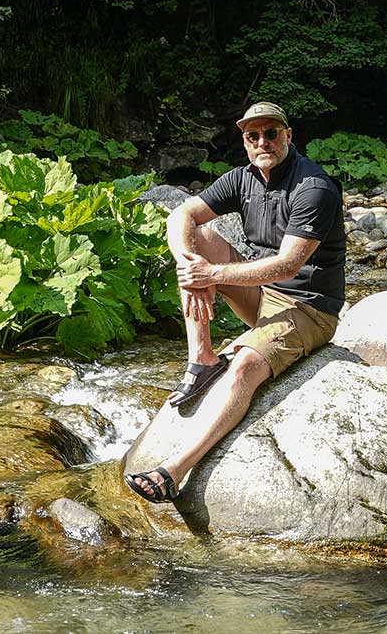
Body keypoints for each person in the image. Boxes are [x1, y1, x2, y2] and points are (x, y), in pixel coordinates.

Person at [124, 101, 346, 503]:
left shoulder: (314, 188)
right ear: (244, 141)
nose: (262, 142)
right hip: (263, 296)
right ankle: (202, 360)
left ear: (288, 136)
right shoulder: (242, 179)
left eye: (271, 133)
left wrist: (211, 275)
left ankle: (175, 470)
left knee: (243, 366)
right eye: (252, 135)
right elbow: (181, 216)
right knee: (198, 241)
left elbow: (287, 264)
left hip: (309, 308)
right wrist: (189, 266)